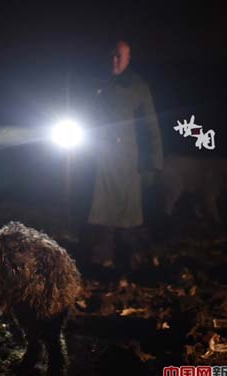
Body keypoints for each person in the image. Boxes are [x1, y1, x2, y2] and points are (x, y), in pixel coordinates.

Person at [87, 40, 163, 269]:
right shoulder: (95, 82)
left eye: (120, 56)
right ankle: (100, 258)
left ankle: (134, 258)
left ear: (128, 59)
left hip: (126, 160)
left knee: (128, 213)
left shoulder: (137, 86)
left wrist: (155, 161)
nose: (115, 61)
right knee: (97, 208)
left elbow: (151, 125)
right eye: (112, 55)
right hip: (97, 156)